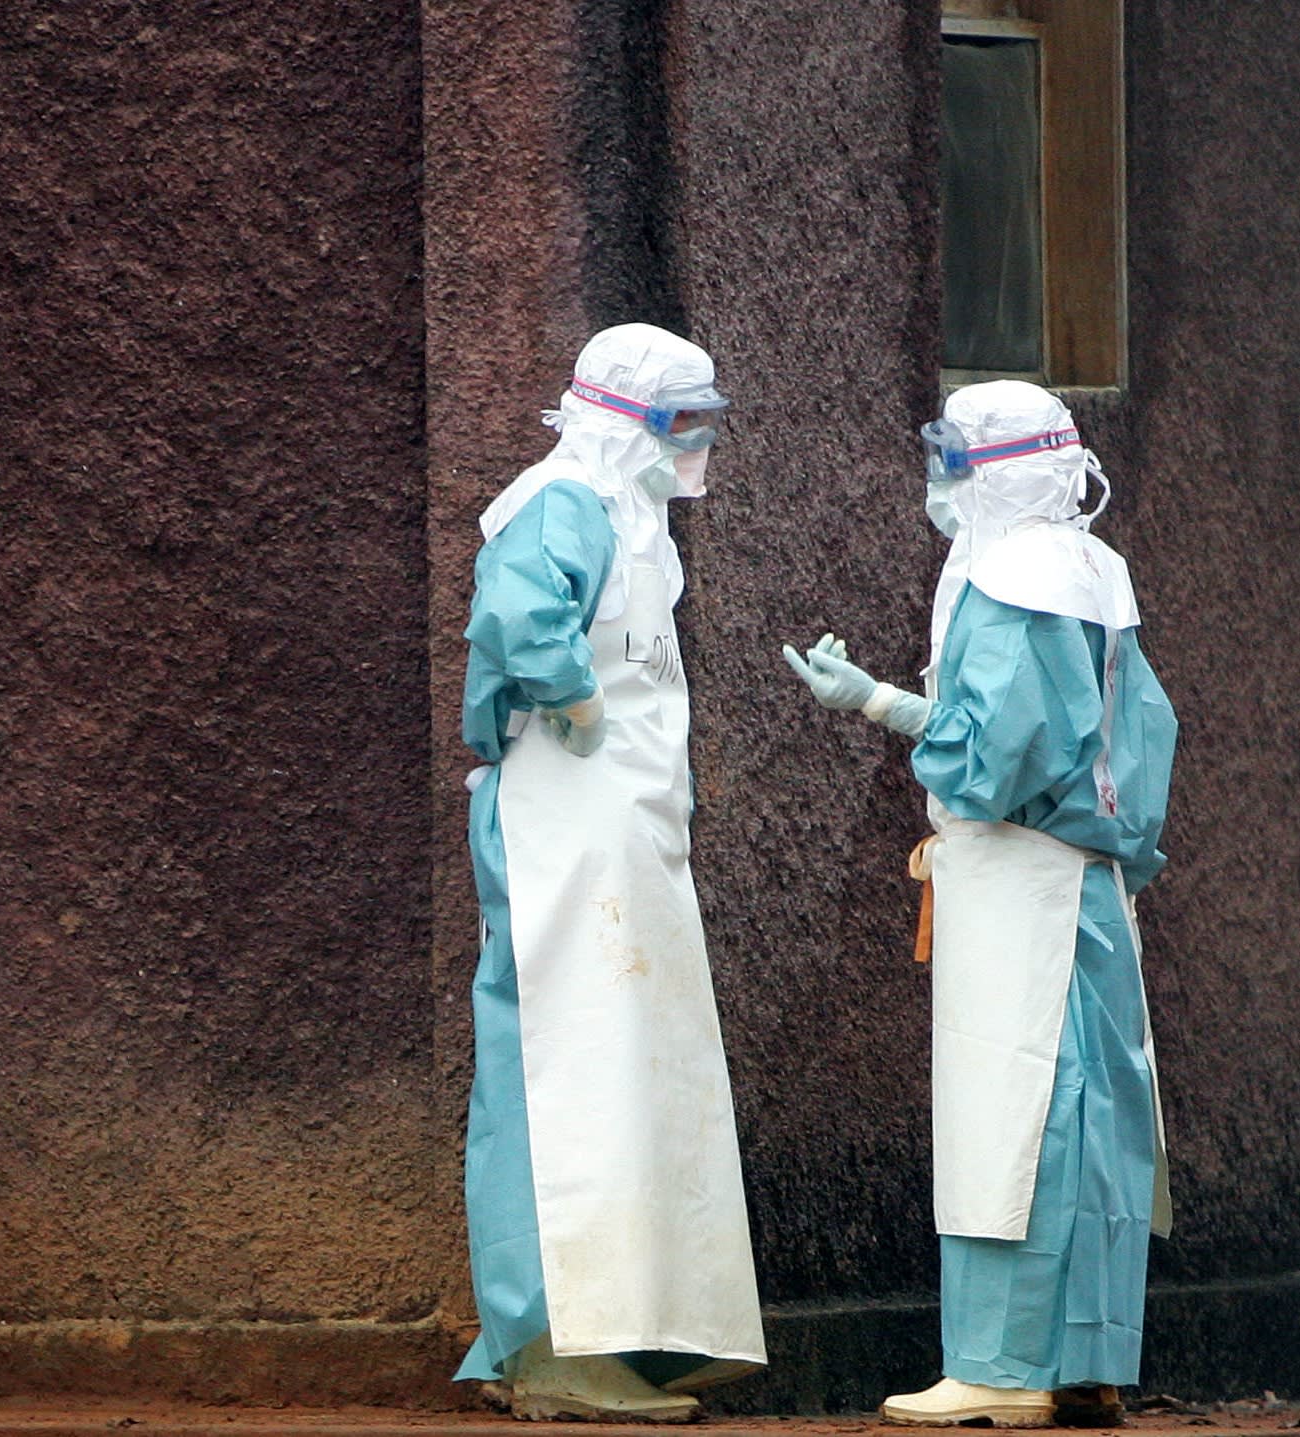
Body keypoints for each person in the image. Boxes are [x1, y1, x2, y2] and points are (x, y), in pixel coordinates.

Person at [784, 380, 1177, 1428]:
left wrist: (888, 711)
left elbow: (990, 751)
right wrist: (888, 701)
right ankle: (1083, 1361)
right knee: (1092, 1117)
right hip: (1090, 888)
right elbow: (1132, 735)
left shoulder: (1006, 576)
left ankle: (1001, 1371)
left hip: (1013, 882)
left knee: (1010, 1117)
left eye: (953, 457)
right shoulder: (1093, 570)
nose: (941, 478)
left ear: (992, 468)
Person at [456, 323, 766, 1422]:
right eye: (681, 421)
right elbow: (518, 615)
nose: (695, 443)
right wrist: (566, 691)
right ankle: (544, 1340)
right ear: (625, 418)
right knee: (559, 1068)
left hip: (618, 825)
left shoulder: (623, 515)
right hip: (559, 814)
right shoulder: (561, 502)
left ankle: (625, 1326)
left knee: (630, 1068)